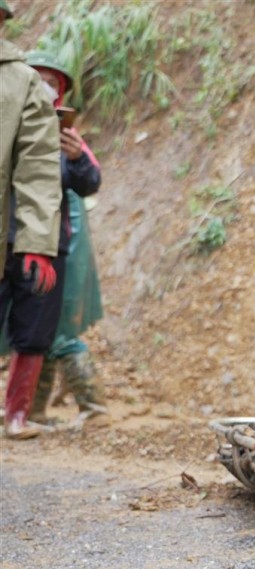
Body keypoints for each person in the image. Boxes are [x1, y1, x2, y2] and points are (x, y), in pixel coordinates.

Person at [21, 50, 108, 428]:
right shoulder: (15, 125)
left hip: (62, 243)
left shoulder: (68, 138)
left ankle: (94, 407)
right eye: (38, 77)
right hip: (23, 238)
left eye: (52, 81)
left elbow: (90, 181)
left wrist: (75, 159)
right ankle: (31, 409)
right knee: (35, 325)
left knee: (57, 326)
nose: (45, 86)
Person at [0, 0, 65, 440]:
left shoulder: (20, 82)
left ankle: (17, 413)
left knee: (33, 324)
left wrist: (39, 243)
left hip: (13, 232)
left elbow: (40, 165)